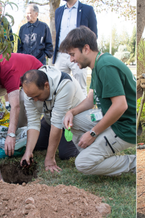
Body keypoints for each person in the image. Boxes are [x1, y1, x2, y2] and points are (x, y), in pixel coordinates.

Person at [58, 26, 136, 176]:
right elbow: (90, 100)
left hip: (125, 128)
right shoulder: (97, 64)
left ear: (86, 49)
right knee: (72, 120)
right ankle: (99, 154)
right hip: (114, 121)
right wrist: (71, 112)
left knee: (82, 164)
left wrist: (93, 133)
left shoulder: (106, 66)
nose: (71, 60)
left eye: (73, 54)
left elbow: (120, 106)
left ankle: (133, 164)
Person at [19, 67, 84, 172]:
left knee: (66, 153)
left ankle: (83, 139)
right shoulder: (30, 91)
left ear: (46, 85)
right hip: (49, 120)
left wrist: (49, 159)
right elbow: (33, 121)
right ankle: (55, 141)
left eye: (37, 96)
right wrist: (28, 152)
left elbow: (58, 123)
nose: (35, 100)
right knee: (35, 144)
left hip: (72, 123)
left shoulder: (65, 84)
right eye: (31, 98)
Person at [0, 53, 43, 154]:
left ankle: (22, 135)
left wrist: (11, 135)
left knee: (21, 98)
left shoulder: (9, 72)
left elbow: (15, 106)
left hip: (36, 74)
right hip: (11, 74)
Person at [53, 0, 97, 94]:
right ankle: (64, 108)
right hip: (61, 54)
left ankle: (83, 108)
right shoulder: (58, 11)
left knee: (80, 87)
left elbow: (93, 34)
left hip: (79, 54)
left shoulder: (87, 10)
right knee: (58, 86)